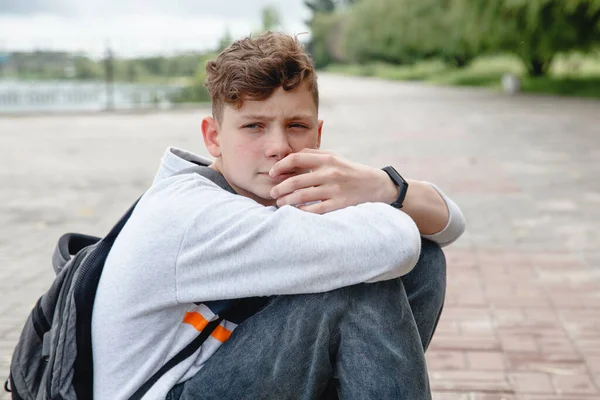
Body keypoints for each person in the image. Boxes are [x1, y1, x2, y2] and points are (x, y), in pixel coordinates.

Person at [91, 32, 465, 400]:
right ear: (214, 137)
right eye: (254, 126)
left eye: (296, 126)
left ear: (317, 135)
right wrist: (375, 190)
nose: (279, 148)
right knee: (356, 282)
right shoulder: (191, 213)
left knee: (423, 263)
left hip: (213, 369)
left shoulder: (267, 194)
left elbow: (447, 227)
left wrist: (384, 187)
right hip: (168, 392)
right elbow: (396, 242)